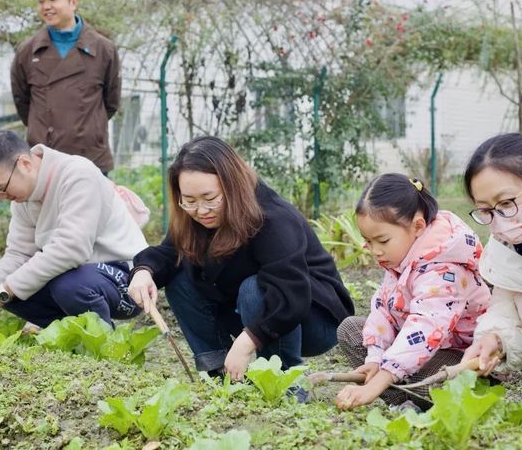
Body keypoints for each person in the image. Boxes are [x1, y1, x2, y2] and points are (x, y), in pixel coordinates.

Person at [128, 136, 354, 382]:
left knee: (254, 289)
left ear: (231, 185)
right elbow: (169, 253)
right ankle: (220, 372)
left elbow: (291, 295)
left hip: (311, 319)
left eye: (210, 198)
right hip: (251, 309)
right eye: (190, 201)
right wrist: (143, 270)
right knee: (178, 276)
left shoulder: (272, 219)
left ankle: (282, 380)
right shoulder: (194, 218)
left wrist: (249, 341)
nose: (201, 211)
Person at [0, 130, 147, 328]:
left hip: (128, 280)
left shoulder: (77, 175)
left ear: (24, 164)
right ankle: (68, 334)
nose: (0, 197)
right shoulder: (22, 194)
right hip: (76, 275)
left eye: (1, 187)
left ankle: (101, 339)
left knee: (67, 285)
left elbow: (71, 249)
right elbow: (19, 253)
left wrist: (4, 291)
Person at [335, 174, 491, 411]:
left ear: (417, 226)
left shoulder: (446, 269)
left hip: (458, 352)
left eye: (382, 240)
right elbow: (383, 309)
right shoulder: (400, 253)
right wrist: (375, 358)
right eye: (369, 241)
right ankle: (401, 391)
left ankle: (401, 391)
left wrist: (378, 380)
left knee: (427, 379)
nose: (375, 251)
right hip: (413, 346)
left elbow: (425, 326)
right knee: (350, 329)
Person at [461, 133, 522, 378]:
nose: (500, 218)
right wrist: (495, 339)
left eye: (506, 203)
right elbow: (505, 306)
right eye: (485, 209)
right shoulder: (505, 245)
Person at [10, 0, 120, 174]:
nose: (46, 7)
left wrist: (89, 129)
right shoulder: (27, 51)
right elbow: (23, 102)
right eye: (41, 1)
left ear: (73, 2)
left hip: (91, 158)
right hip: (45, 159)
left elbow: (110, 103)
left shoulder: (103, 49)